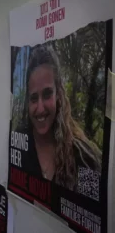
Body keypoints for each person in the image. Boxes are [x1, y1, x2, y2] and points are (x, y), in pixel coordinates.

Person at [21, 45, 101, 192]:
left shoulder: (84, 159)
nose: (40, 108)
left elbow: (92, 211)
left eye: (47, 94)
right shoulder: (19, 143)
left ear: (58, 94)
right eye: (33, 98)